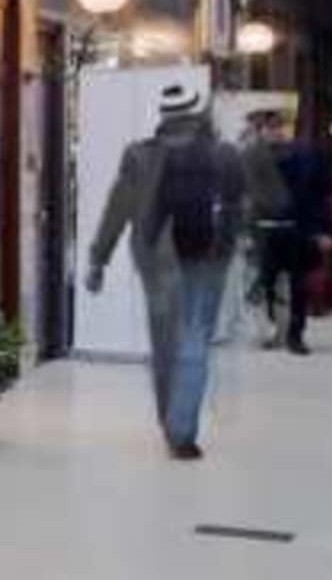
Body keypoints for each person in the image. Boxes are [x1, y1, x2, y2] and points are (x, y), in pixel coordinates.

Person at [87, 98, 243, 459]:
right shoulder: (218, 153)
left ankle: (170, 423)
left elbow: (118, 206)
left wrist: (100, 258)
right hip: (204, 255)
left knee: (165, 341)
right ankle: (180, 426)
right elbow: (238, 206)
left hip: (155, 258)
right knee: (194, 337)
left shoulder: (139, 155)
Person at [240, 110, 318, 355]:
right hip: (264, 229)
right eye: (269, 128)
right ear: (261, 131)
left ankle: (295, 334)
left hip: (292, 228)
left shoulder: (297, 155)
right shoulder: (250, 156)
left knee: (297, 285)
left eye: (278, 128)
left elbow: (307, 192)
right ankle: (274, 329)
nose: (275, 132)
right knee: (267, 284)